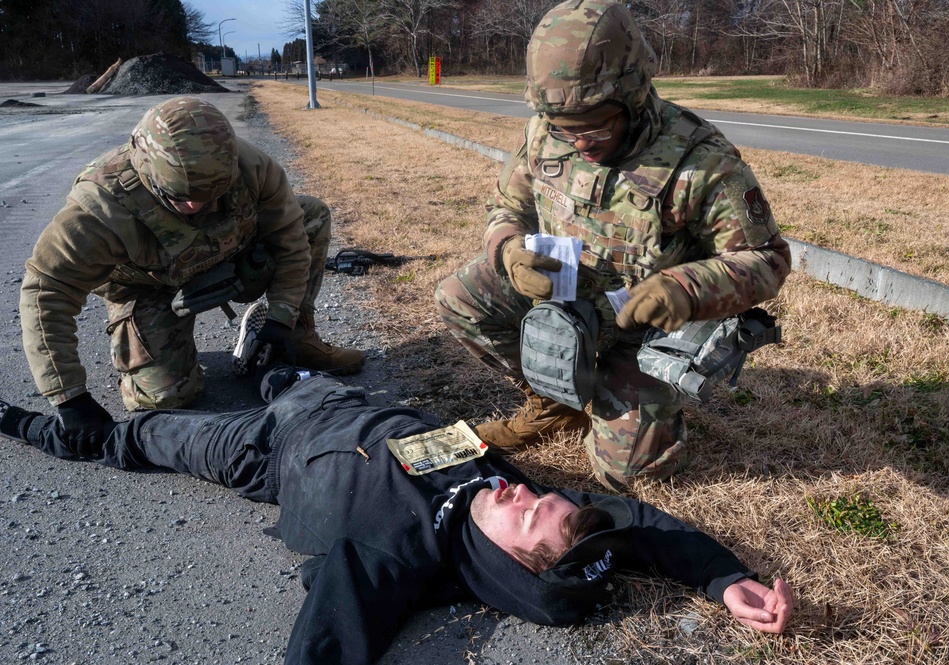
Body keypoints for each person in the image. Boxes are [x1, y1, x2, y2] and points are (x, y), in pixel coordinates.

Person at [0, 366, 794, 665]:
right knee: (286, 369)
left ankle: (33, 427)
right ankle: (273, 354)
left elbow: (331, 635)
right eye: (541, 495)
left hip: (266, 449)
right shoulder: (509, 501)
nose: (521, 491)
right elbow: (640, 521)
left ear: (510, 562)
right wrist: (725, 578)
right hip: (350, 401)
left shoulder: (402, 555)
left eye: (525, 513)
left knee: (143, 433)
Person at [435, 0, 792, 491]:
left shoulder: (702, 162)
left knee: (631, 473)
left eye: (597, 125)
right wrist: (509, 251)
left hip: (641, 328)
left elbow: (769, 259)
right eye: (566, 129)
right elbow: (507, 206)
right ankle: (556, 401)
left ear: (635, 94)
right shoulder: (544, 130)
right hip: (563, 296)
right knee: (459, 296)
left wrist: (686, 287)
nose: (580, 144)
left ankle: (617, 398)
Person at [19, 96, 366, 457]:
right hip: (149, 285)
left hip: (229, 257)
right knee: (166, 400)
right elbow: (46, 293)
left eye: (210, 195)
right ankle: (143, 352)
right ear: (146, 169)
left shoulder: (254, 169)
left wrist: (282, 317)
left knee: (309, 213)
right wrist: (70, 398)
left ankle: (298, 334)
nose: (195, 207)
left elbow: (291, 241)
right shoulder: (100, 209)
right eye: (180, 198)